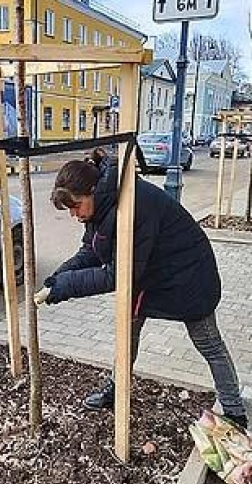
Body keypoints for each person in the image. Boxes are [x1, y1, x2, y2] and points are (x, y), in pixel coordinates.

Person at [39, 148, 247, 431]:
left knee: (209, 343)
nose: (75, 215)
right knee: (127, 335)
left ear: (91, 191)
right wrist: (57, 278)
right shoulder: (101, 206)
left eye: (76, 206)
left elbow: (118, 275)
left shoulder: (134, 204)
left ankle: (235, 413)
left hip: (188, 277)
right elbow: (90, 250)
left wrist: (66, 286)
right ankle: (116, 390)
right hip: (149, 277)